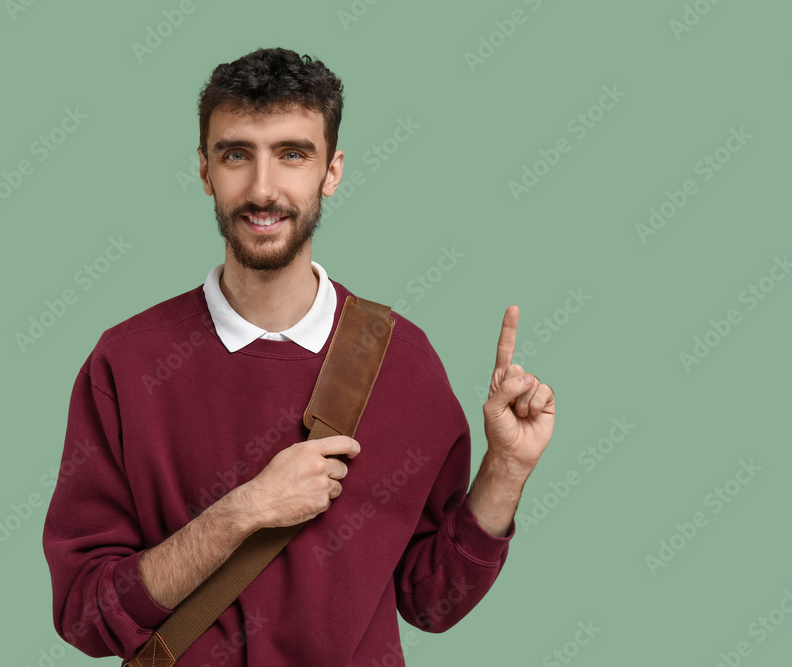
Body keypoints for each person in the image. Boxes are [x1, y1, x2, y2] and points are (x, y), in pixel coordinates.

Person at [42, 46, 556, 665]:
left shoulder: (403, 359)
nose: (263, 189)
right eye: (237, 155)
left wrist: (506, 468)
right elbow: (86, 615)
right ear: (205, 171)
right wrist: (244, 511)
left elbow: (432, 603)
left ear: (331, 172)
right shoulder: (126, 363)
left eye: (292, 154)